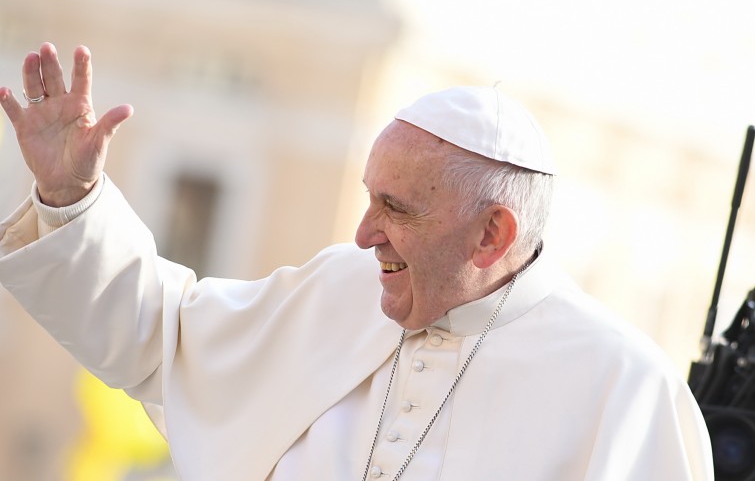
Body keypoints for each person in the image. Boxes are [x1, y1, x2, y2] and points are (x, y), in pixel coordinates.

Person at [0, 43, 713, 480]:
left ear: (491, 233)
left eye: (397, 209)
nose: (364, 232)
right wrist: (72, 196)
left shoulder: (623, 387)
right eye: (368, 198)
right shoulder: (341, 287)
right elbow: (160, 334)